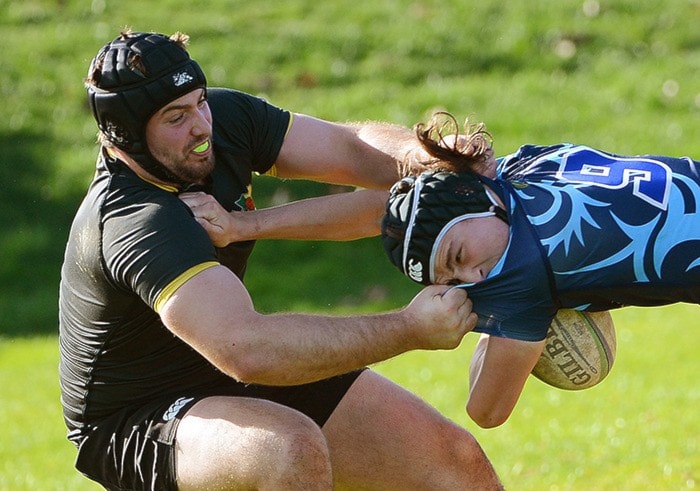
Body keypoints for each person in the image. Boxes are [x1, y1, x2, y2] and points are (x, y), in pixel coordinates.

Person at [58, 31, 505, 490]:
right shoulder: (137, 219)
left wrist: (427, 158)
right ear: (126, 136)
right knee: (287, 449)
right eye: (176, 117)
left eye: (199, 102)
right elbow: (250, 350)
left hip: (222, 365)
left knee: (452, 463)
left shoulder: (221, 121)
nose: (201, 127)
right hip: (138, 418)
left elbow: (351, 149)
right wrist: (409, 328)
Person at [380, 111, 700, 428]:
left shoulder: (526, 272)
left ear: (474, 200)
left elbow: (486, 411)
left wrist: (490, 315)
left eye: (459, 256)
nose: (473, 278)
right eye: (453, 282)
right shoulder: (516, 169)